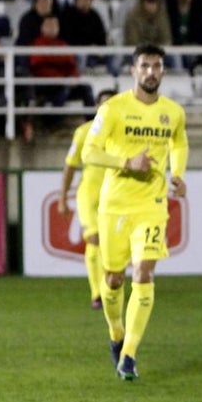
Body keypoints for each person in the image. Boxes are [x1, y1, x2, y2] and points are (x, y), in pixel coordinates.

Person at [82, 44, 188, 381]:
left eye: (157, 66)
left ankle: (129, 354)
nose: (151, 72)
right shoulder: (113, 109)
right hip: (114, 205)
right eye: (145, 66)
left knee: (144, 273)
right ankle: (116, 333)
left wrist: (178, 174)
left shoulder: (173, 112)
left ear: (163, 71)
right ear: (133, 70)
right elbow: (89, 152)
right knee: (113, 278)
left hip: (152, 205)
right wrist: (127, 162)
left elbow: (179, 142)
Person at [58, 89, 116, 310]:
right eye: (104, 104)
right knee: (94, 239)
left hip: (114, 195)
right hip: (89, 194)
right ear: (96, 108)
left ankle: (108, 285)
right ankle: (97, 293)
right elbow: (70, 166)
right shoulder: (83, 132)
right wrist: (63, 198)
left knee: (110, 245)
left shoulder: (124, 135)